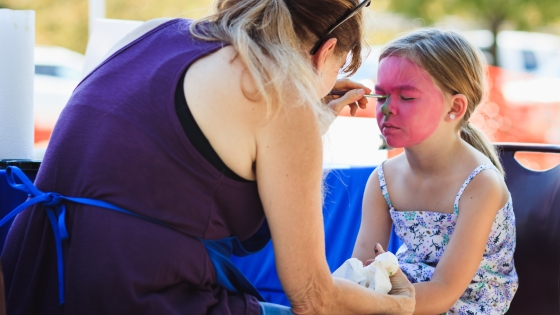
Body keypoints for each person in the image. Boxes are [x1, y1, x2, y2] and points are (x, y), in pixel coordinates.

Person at [1, 0, 416, 314]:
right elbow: (313, 295)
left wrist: (313, 121)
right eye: (339, 65)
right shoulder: (284, 95)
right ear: (324, 52)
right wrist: (401, 305)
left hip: (32, 268)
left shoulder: (156, 31)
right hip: (131, 290)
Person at [352, 29, 518, 315]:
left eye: (406, 97)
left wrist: (358, 301)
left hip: (465, 303)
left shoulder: (480, 185)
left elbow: (444, 291)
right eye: (381, 96)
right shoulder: (382, 180)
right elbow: (362, 269)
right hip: (405, 294)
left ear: (454, 107)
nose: (388, 109)